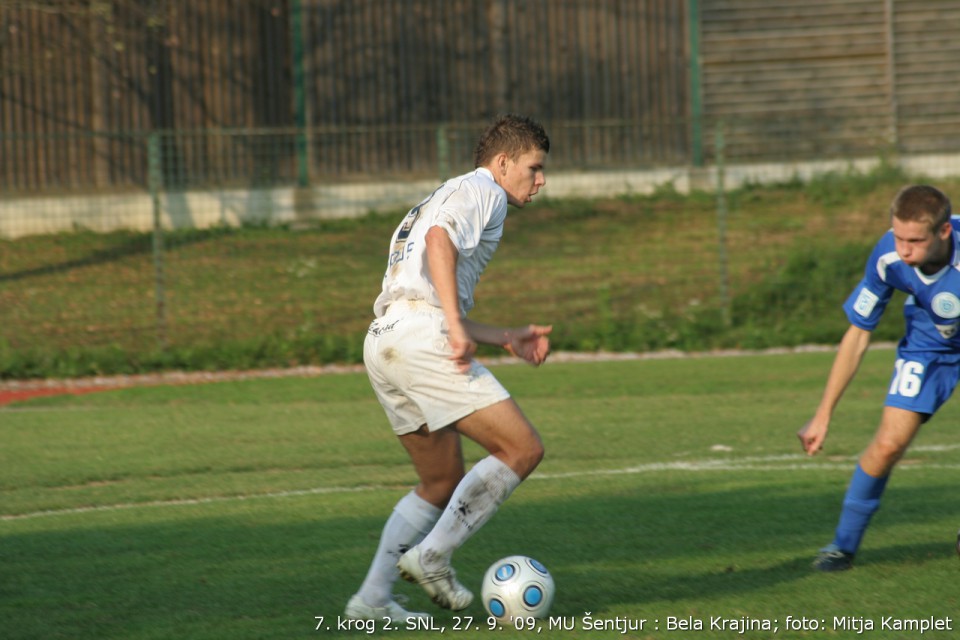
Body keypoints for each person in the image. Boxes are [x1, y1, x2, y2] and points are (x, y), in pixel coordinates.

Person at [344, 114, 553, 622]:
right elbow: (439, 241)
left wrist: (500, 335)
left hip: (385, 339)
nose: (542, 179)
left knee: (440, 482)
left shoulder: (444, 193)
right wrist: (457, 329)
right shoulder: (485, 191)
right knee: (522, 448)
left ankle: (370, 599)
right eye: (535, 167)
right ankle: (433, 556)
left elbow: (425, 292)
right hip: (422, 338)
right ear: (503, 163)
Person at [798, 184, 960, 571]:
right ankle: (842, 546)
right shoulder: (889, 255)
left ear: (943, 232)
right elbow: (857, 335)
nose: (904, 250)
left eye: (914, 241)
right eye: (898, 236)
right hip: (930, 343)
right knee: (888, 443)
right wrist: (823, 414)